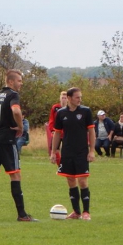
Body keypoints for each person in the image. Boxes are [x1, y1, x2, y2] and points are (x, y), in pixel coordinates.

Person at [0, 69, 38, 222]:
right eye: (19, 81)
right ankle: (22, 215)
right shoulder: (13, 95)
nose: (21, 84)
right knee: (15, 174)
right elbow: (16, 111)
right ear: (11, 81)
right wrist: (20, 127)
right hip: (6, 141)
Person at [50, 87, 95, 221]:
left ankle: (86, 212)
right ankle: (76, 211)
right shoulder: (61, 113)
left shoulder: (86, 112)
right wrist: (53, 152)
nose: (80, 99)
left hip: (81, 152)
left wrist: (91, 150)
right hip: (67, 152)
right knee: (70, 180)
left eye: (80, 97)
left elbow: (91, 132)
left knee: (82, 180)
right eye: (77, 97)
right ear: (69, 98)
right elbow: (57, 133)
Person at [48, 91, 68, 166]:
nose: (63, 99)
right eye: (62, 98)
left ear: (68, 99)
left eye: (65, 98)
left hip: (66, 133)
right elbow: (51, 119)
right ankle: (60, 165)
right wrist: (52, 130)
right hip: (57, 132)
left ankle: (67, 165)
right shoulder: (55, 107)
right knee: (54, 149)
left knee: (66, 150)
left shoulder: (70, 108)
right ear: (60, 98)